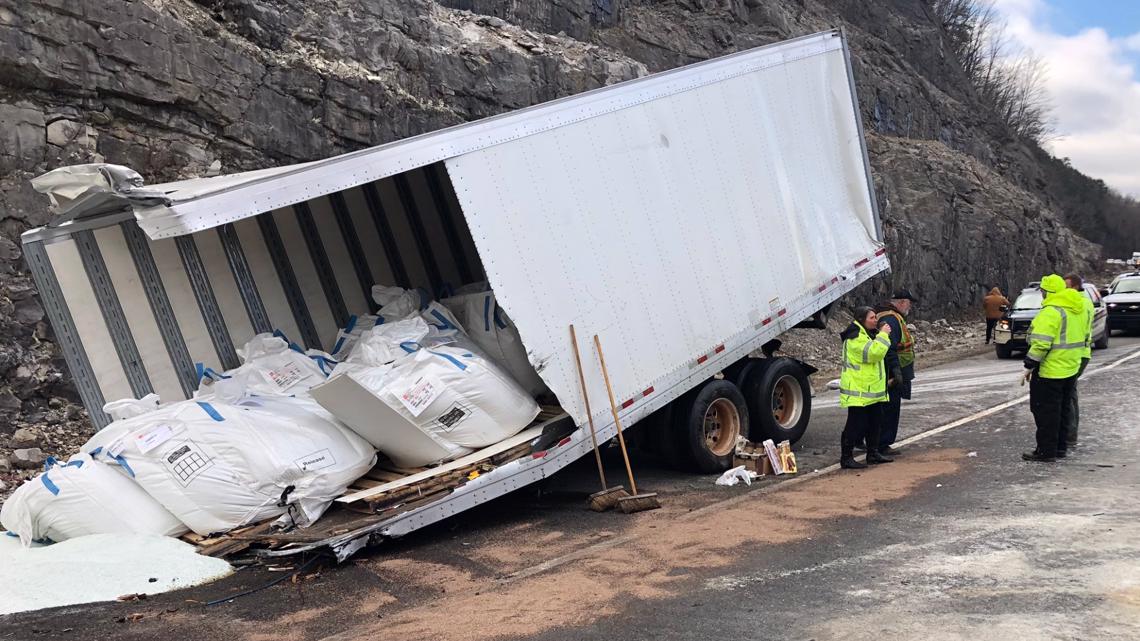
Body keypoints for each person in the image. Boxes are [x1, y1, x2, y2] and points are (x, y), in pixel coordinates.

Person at [1022, 274, 1088, 462]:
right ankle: (1060, 448)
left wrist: (1029, 365)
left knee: (1045, 412)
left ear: (1047, 292)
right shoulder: (1077, 308)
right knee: (1063, 410)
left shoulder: (1051, 312)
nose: (1041, 294)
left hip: (1050, 371)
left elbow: (1041, 344)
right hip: (1070, 368)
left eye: (1042, 291)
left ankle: (1045, 451)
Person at [839, 306, 894, 469]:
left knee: (875, 422)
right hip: (858, 391)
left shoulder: (867, 334)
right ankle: (846, 457)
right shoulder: (855, 337)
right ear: (862, 320)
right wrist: (884, 334)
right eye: (872, 318)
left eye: (876, 317)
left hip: (871, 391)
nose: (875, 320)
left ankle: (873, 453)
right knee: (855, 424)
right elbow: (873, 354)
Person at [874, 289, 918, 456]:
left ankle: (877, 441)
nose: (910, 306)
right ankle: (883, 443)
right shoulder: (891, 319)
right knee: (890, 408)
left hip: (891, 369)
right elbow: (888, 348)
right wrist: (895, 372)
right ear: (901, 302)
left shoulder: (887, 316)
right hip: (892, 371)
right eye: (909, 302)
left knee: (885, 407)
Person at [1062, 273, 1094, 449]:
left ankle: (1069, 434)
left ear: (1074, 286)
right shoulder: (1085, 302)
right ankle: (1069, 433)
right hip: (1080, 352)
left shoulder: (1078, 303)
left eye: (1066, 286)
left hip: (1077, 354)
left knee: (1069, 394)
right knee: (1071, 392)